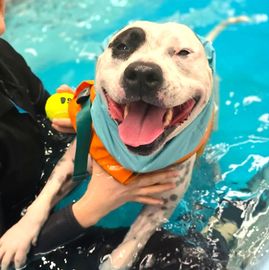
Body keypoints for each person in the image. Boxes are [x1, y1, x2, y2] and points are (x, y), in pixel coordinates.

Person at [0, 1, 179, 268]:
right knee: (181, 257)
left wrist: (80, 118)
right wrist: (92, 207)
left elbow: (45, 113)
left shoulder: (3, 56)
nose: (2, 24)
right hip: (40, 242)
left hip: (63, 178)